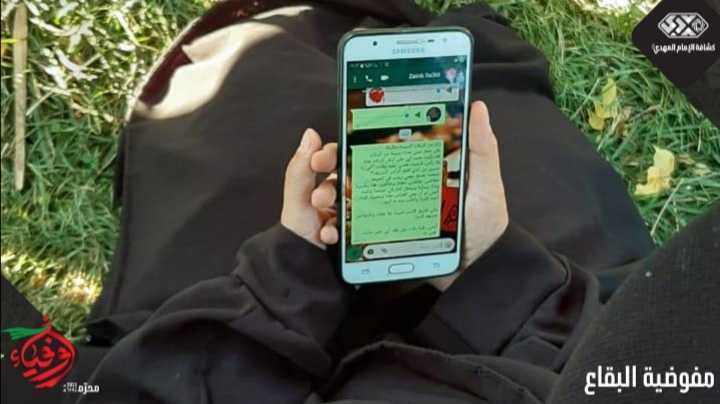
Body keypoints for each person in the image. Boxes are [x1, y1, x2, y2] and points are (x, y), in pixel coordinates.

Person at [1, 1, 717, 403]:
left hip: (228, 360)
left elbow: (80, 385)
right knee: (502, 108)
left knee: (255, 103)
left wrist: (281, 284)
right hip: (549, 337)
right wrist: (497, 273)